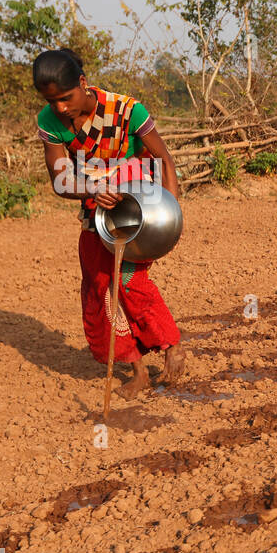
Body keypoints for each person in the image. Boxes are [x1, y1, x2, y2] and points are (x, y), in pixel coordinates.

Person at [33, 48, 184, 396]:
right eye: (50, 100)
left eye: (66, 98)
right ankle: (136, 368)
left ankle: (170, 344)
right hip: (95, 210)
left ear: (83, 84)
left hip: (139, 208)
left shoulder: (127, 110)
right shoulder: (50, 121)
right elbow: (60, 180)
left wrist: (171, 213)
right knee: (102, 289)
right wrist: (91, 188)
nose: (60, 108)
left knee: (130, 280)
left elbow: (163, 159)